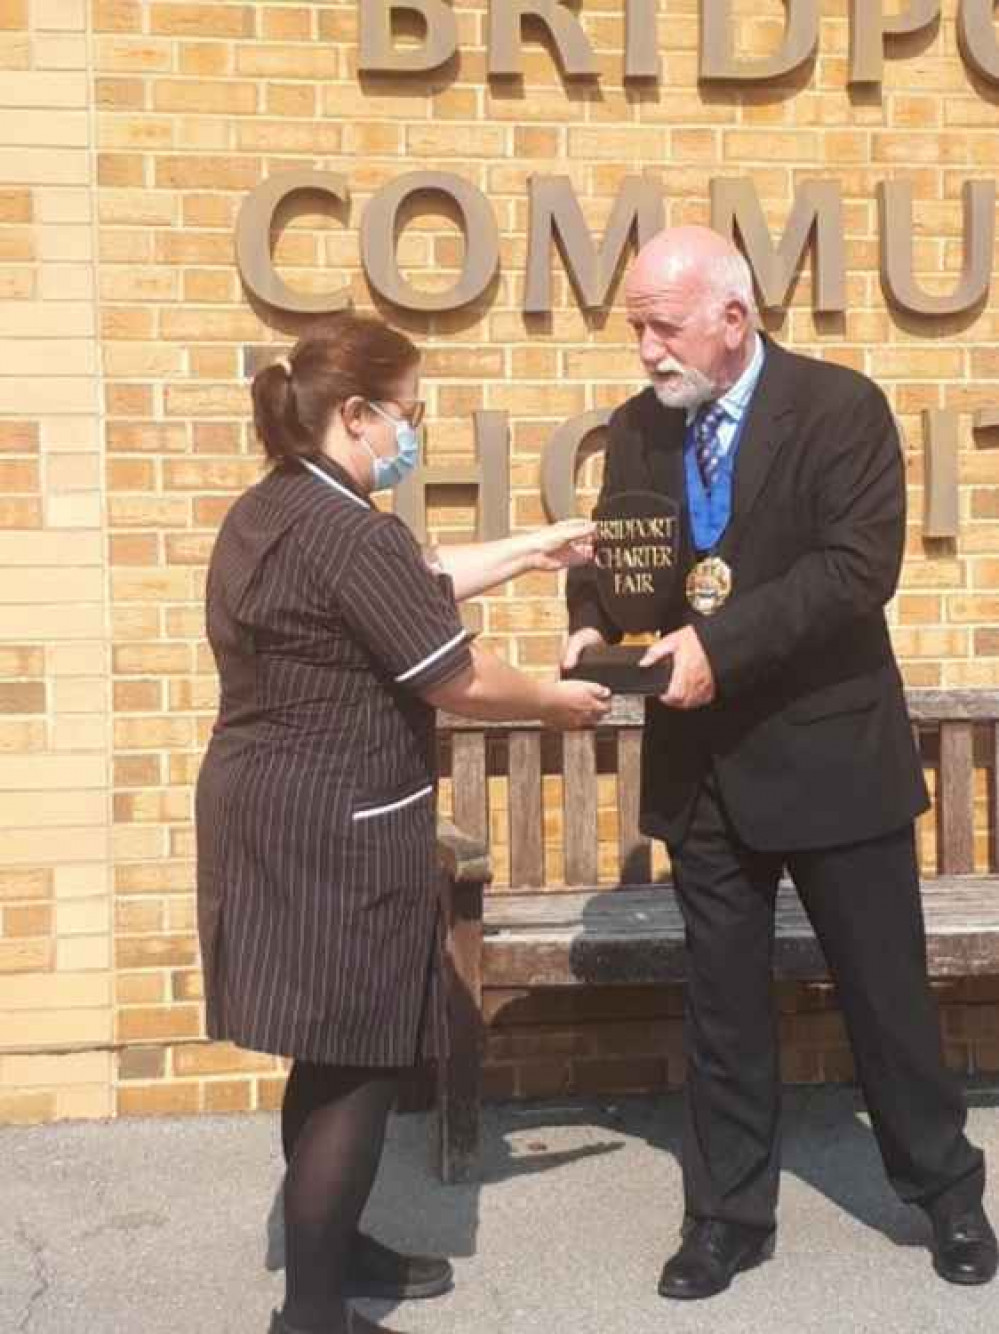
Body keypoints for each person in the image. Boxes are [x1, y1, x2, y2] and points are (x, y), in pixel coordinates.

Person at [564, 226, 997, 1300]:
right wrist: (588, 628)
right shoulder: (635, 430)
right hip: (702, 768)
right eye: (636, 329)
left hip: (831, 756)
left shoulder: (840, 409)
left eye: (663, 328)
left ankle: (946, 1193)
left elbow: (859, 569)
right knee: (721, 1007)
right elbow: (619, 560)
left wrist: (722, 643)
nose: (646, 352)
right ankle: (726, 1215)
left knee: (885, 994)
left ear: (732, 319)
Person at [196, 312, 610, 1334]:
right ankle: (315, 1312)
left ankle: (330, 1251)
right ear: (355, 414)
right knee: (361, 1058)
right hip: (343, 828)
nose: (412, 434)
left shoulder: (274, 509)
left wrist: (530, 549)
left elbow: (411, 581)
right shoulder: (353, 531)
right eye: (409, 416)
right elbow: (456, 674)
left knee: (320, 1047)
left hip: (262, 809)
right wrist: (557, 703)